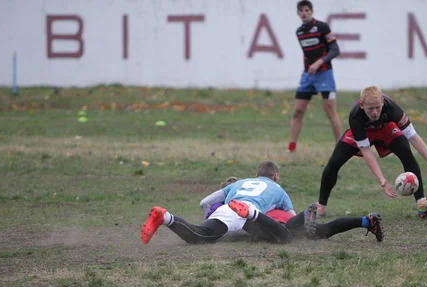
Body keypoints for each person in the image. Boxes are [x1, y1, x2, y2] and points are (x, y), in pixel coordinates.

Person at [316, 86, 427, 218]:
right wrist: (381, 179)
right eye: (370, 109)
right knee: (334, 163)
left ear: (383, 101)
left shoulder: (392, 108)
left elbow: (413, 137)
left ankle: (421, 203)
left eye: (378, 107)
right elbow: (366, 150)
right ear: (361, 105)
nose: (375, 112)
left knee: (406, 152)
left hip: (386, 128)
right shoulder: (355, 116)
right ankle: (321, 206)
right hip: (363, 131)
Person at [140, 161, 295, 245]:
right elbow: (293, 219)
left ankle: (166, 218)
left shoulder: (240, 183)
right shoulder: (279, 190)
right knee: (283, 237)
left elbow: (204, 202)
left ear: (256, 175)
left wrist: (210, 221)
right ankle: (251, 213)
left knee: (200, 233)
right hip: (248, 215)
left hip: (229, 208)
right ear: (276, 176)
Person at [288, 0, 342, 152]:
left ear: (311, 12)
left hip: (325, 74)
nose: (304, 13)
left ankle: (340, 147)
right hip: (308, 76)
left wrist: (318, 63)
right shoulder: (299, 32)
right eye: (301, 11)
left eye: (306, 10)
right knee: (297, 111)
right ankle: (291, 147)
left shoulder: (322, 27)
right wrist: (310, 67)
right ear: (298, 14)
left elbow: (335, 50)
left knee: (330, 111)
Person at [228, 201, 385, 243]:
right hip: (294, 223)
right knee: (325, 230)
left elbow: (235, 233)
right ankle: (366, 221)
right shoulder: (266, 197)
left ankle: (305, 214)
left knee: (286, 231)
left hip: (281, 226)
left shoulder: (242, 211)